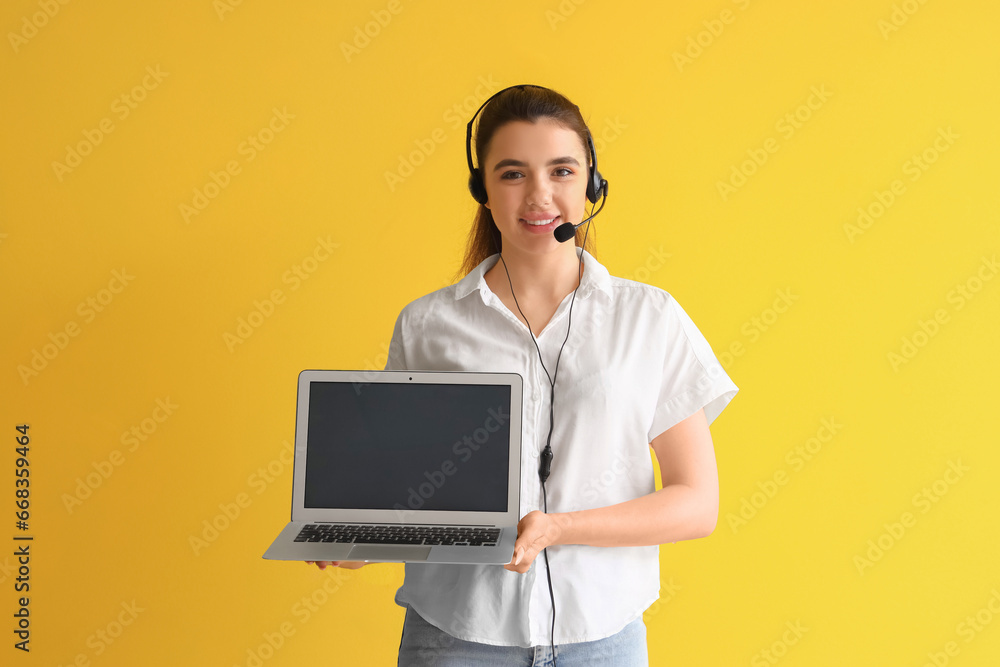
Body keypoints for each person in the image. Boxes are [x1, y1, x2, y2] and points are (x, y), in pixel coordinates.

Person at [308, 85, 738, 666]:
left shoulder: (649, 318)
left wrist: (559, 527)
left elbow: (696, 504)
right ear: (482, 190)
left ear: (591, 185)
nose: (540, 195)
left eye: (562, 171)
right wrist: (359, 541)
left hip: (601, 639)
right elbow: (409, 497)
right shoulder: (428, 325)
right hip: (456, 636)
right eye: (512, 174)